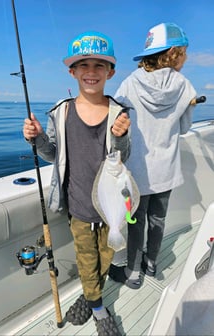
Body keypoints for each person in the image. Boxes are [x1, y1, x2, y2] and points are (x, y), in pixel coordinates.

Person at [23, 31, 131, 335]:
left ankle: (90, 295)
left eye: (100, 66)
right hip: (80, 207)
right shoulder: (62, 111)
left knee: (107, 257)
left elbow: (123, 158)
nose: (91, 72)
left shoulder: (120, 112)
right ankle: (98, 309)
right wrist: (38, 137)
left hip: (112, 210)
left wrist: (121, 137)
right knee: (86, 260)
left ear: (110, 72)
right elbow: (51, 154)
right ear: (73, 72)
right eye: (84, 66)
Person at [109, 22, 197, 289]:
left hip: (136, 173)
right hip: (166, 171)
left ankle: (133, 273)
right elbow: (183, 128)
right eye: (185, 52)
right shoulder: (184, 86)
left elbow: (116, 122)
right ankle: (152, 263)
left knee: (135, 223)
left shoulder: (129, 83)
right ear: (174, 54)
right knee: (158, 219)